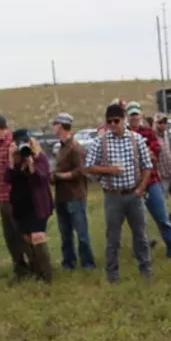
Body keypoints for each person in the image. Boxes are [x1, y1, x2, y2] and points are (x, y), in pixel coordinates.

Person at [84, 101, 156, 283]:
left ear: (123, 120)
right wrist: (110, 170)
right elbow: (89, 167)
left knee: (141, 236)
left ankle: (146, 271)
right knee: (113, 238)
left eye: (116, 121)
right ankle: (112, 275)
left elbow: (147, 166)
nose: (113, 125)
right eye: (110, 122)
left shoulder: (136, 139)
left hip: (133, 194)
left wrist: (141, 188)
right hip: (112, 196)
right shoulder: (100, 141)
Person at [128, 102, 171, 260]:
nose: (134, 117)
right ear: (127, 116)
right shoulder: (123, 134)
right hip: (132, 184)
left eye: (136, 114)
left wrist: (137, 156)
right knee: (137, 222)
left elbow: (154, 154)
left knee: (162, 217)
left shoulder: (148, 133)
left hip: (151, 182)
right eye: (131, 114)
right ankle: (141, 252)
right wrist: (143, 154)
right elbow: (140, 157)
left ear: (141, 115)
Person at [0, 113, 34, 281]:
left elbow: (17, 170)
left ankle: (35, 266)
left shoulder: (12, 142)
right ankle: (20, 268)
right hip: (3, 197)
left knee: (22, 233)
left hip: (14, 197)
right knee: (10, 236)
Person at [5, 130, 55, 282]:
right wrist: (11, 159)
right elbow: (8, 179)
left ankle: (47, 275)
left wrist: (32, 163)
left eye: (26, 142)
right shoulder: (16, 159)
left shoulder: (40, 157)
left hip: (37, 204)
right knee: (27, 238)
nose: (23, 146)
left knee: (38, 236)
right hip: (21, 204)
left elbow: (42, 179)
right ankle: (36, 270)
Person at [51, 112, 96, 271]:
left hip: (75, 197)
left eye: (55, 124)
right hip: (62, 197)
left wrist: (60, 176)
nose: (53, 127)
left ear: (61, 126)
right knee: (65, 235)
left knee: (81, 234)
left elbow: (82, 172)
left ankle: (88, 263)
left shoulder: (76, 148)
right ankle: (68, 263)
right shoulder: (61, 147)